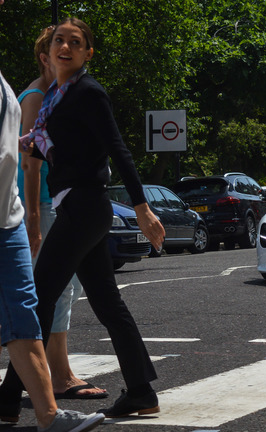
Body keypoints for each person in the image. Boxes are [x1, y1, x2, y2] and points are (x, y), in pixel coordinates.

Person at [0, 17, 166, 419]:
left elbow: (117, 148)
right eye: (60, 40)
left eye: (76, 43)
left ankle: (6, 403)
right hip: (78, 208)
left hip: (85, 208)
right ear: (49, 49)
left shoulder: (89, 93)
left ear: (87, 53)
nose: (66, 47)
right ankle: (142, 392)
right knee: (108, 303)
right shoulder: (56, 95)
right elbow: (54, 149)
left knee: (36, 299)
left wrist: (143, 208)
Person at [0, 4, 105, 430]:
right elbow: (29, 164)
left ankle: (48, 416)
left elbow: (21, 148)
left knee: (27, 312)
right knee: (37, 305)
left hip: (8, 218)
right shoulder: (35, 94)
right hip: (28, 213)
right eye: (56, 44)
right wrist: (35, 220)